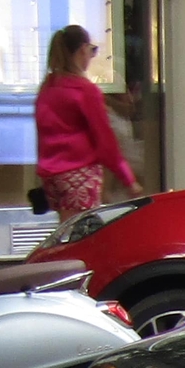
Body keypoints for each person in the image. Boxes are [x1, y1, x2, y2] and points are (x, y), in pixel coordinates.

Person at [34, 25, 138, 225]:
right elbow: (105, 139)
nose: (92, 56)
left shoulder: (48, 87)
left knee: (65, 230)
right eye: (92, 50)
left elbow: (42, 132)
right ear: (82, 50)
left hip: (52, 175)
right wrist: (128, 179)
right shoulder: (85, 90)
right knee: (79, 234)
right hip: (79, 173)